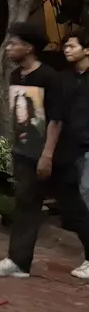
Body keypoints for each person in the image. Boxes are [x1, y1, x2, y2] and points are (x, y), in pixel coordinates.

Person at [0, 24, 89, 280]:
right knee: (25, 206)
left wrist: (47, 155)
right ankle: (18, 262)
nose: (8, 48)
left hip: (53, 156)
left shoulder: (49, 78)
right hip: (25, 153)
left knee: (73, 209)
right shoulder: (16, 76)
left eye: (13, 44)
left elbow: (56, 120)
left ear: (29, 48)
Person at [67, 34, 89, 219]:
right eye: (65, 46)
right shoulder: (65, 78)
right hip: (73, 145)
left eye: (72, 46)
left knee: (85, 189)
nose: (67, 50)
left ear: (86, 50)